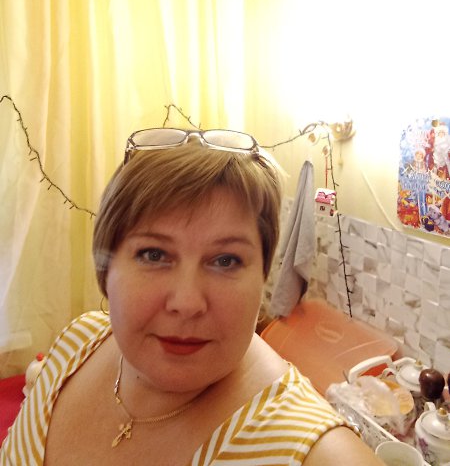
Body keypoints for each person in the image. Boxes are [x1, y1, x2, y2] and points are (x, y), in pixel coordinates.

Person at [0, 128, 384, 465]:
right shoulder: (75, 343)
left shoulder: (315, 452)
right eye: (154, 255)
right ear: (106, 268)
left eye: (225, 260)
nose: (186, 303)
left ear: (262, 275)